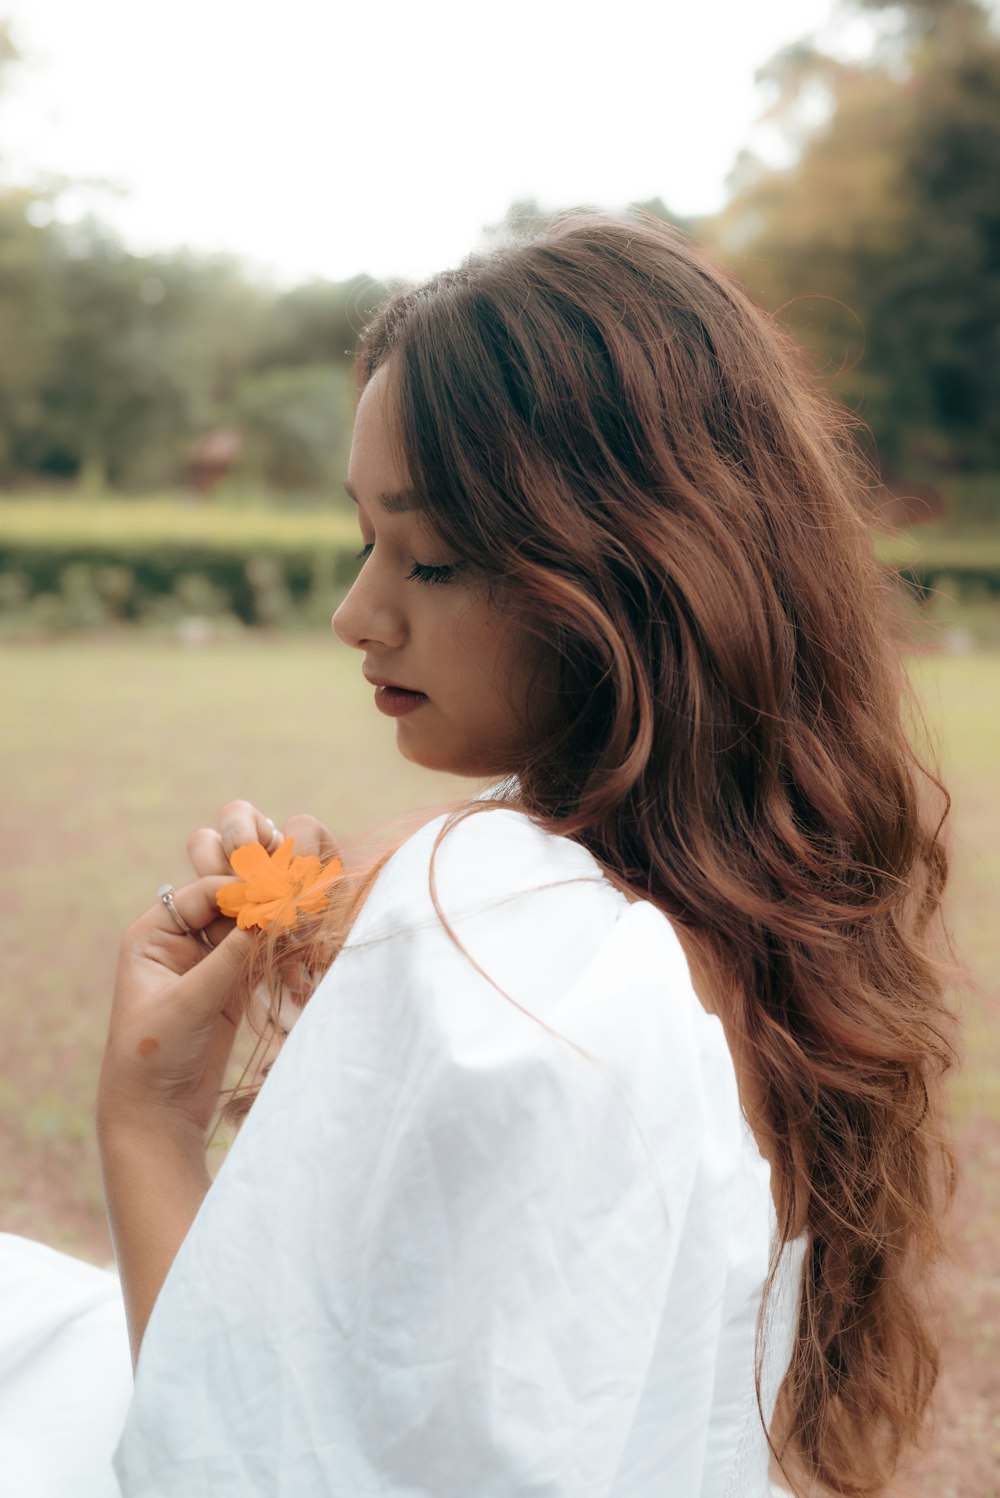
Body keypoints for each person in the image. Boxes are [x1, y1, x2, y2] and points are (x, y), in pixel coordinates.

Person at [2, 212, 955, 1498]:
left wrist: (151, 1122)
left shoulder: (499, 917)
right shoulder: (767, 924)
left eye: (432, 553)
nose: (355, 614)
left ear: (635, 570)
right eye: (365, 538)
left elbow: (232, 1463)